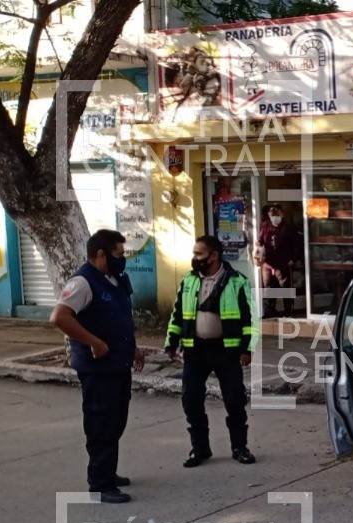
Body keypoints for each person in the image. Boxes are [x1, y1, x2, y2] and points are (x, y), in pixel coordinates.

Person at [49, 230, 145, 504]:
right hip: (98, 368)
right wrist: (93, 342)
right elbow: (59, 317)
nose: (122, 258)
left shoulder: (114, 279)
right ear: (101, 254)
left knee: (116, 420)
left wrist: (134, 347)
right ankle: (100, 484)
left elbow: (121, 318)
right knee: (101, 424)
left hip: (118, 363)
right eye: (119, 253)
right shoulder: (83, 282)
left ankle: (108, 472)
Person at [165, 236, 259, 468]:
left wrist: (247, 349)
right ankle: (200, 449)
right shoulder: (189, 280)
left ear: (214, 255)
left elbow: (250, 319)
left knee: (235, 400)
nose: (194, 258)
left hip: (226, 350)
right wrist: (171, 341)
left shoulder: (237, 281)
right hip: (195, 349)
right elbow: (177, 313)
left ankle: (239, 447)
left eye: (199, 254)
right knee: (191, 399)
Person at [255, 203, 302, 317]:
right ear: (269, 215)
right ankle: (270, 311)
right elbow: (260, 241)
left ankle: (288, 312)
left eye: (277, 214)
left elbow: (297, 245)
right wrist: (259, 248)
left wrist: (293, 259)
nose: (275, 217)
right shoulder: (265, 226)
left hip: (283, 263)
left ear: (282, 214)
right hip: (268, 264)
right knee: (269, 287)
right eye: (272, 214)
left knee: (285, 287)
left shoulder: (288, 227)